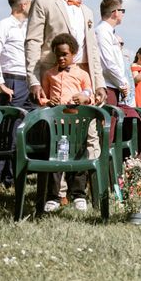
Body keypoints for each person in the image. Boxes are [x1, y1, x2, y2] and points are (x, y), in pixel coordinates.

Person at [25, 0, 106, 205]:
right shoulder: (44, 2)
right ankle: (56, 194)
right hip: (54, 78)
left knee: (86, 137)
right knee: (56, 135)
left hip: (82, 80)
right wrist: (33, 79)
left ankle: (85, 191)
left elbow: (93, 50)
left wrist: (98, 83)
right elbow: (32, 41)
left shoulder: (87, 12)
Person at [40, 33, 93, 212]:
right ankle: (54, 196)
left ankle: (78, 194)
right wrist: (48, 102)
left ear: (73, 54)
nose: (61, 58)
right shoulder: (49, 74)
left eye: (65, 54)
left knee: (79, 154)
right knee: (55, 157)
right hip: (56, 124)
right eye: (58, 55)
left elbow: (89, 94)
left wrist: (83, 98)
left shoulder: (82, 74)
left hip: (76, 123)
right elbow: (44, 98)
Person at [0, 0, 33, 195]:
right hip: (11, 80)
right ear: (23, 5)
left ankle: (11, 177)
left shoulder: (28, 28)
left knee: (20, 130)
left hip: (28, 81)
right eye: (30, 3)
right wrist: (0, 82)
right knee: (5, 130)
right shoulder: (4, 24)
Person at [95, 0, 129, 106]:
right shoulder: (102, 31)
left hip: (113, 85)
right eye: (122, 10)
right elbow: (107, 63)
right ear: (115, 12)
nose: (123, 14)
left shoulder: (108, 32)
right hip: (107, 87)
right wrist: (123, 83)